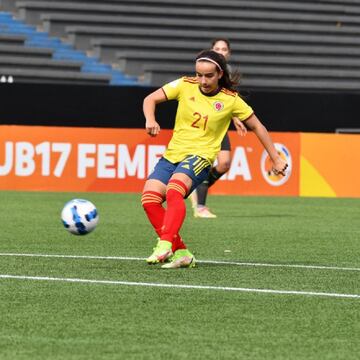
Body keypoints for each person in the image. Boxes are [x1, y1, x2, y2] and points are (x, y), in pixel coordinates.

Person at [141, 49, 287, 269]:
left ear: (219, 73)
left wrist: (275, 158)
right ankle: (182, 252)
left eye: (208, 75)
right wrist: (150, 119)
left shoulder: (230, 100)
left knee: (174, 191)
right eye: (199, 75)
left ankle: (164, 244)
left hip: (201, 155)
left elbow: (258, 126)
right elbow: (150, 99)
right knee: (149, 199)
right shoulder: (184, 84)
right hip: (173, 154)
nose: (203, 80)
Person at [191, 38, 238, 218]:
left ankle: (195, 187)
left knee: (225, 163)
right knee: (205, 162)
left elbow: (228, 100)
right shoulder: (204, 70)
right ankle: (201, 207)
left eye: (224, 49)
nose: (220, 52)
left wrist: (236, 117)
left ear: (229, 53)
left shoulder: (228, 72)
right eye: (217, 48)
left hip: (220, 123)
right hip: (203, 123)